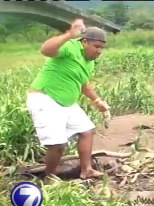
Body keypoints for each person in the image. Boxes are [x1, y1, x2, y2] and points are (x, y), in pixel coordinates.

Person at [26, 19, 109, 179]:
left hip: (67, 103)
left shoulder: (88, 62)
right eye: (96, 46)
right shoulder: (70, 47)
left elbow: (83, 84)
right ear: (84, 42)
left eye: (102, 48)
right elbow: (45, 49)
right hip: (45, 98)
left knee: (86, 131)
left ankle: (87, 170)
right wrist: (69, 34)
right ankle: (49, 178)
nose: (99, 51)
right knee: (57, 144)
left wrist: (97, 100)